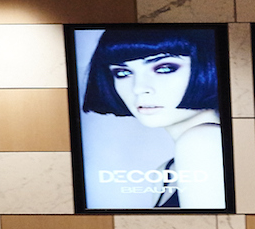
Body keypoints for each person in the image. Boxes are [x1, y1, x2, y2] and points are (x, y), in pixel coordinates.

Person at [83, 29, 225, 209]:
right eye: (122, 73)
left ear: (209, 65)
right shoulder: (166, 171)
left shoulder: (203, 142)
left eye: (164, 69)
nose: (138, 88)